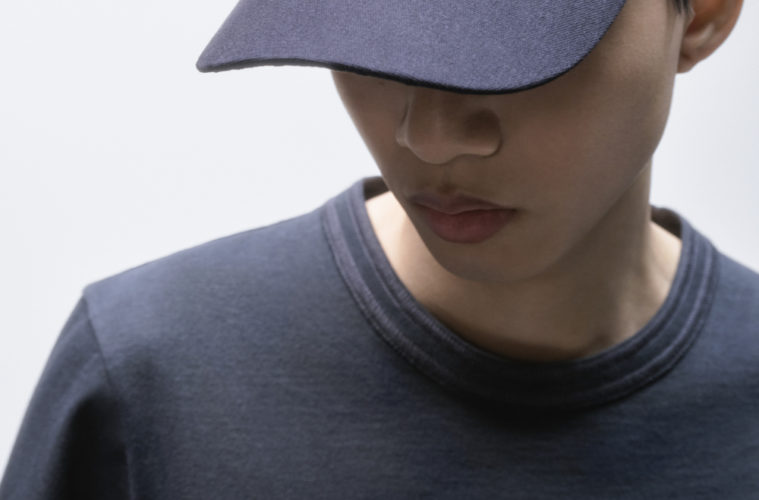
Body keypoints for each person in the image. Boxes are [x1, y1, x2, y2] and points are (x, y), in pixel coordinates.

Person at [1, 0, 756, 498]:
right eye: (377, 32)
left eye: (514, 47)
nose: (428, 135)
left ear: (702, 14)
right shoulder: (147, 377)